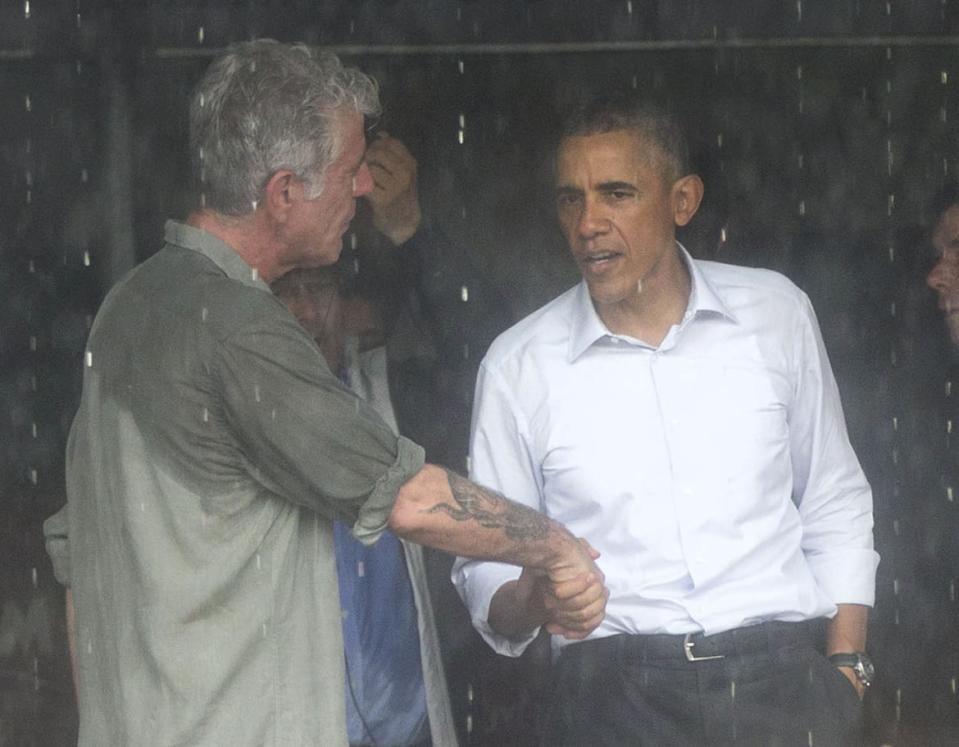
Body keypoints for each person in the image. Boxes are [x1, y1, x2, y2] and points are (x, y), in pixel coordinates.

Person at [42, 40, 608, 746]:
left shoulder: (132, 302)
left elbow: (76, 553)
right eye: (350, 172)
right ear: (283, 193)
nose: (365, 189)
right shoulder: (237, 325)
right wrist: (553, 546)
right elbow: (404, 494)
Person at [453, 94, 879, 746]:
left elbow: (833, 496)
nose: (588, 221)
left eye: (616, 193)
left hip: (782, 689)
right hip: (608, 698)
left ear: (681, 201)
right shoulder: (517, 364)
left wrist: (845, 670)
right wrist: (533, 597)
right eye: (572, 198)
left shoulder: (774, 313)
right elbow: (483, 571)